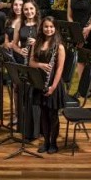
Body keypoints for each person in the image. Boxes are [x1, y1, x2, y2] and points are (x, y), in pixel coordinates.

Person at [29, 16, 66, 154]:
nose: (48, 29)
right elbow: (30, 63)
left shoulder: (59, 47)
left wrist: (53, 87)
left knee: (53, 115)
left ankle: (53, 143)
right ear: (42, 28)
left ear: (55, 28)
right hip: (40, 82)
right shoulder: (37, 44)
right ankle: (45, 142)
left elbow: (60, 69)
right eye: (46, 26)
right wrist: (41, 65)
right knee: (43, 114)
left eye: (51, 26)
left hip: (53, 84)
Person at [11, 0, 41, 141]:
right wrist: (20, 50)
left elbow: (49, 44)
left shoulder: (41, 25)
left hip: (36, 64)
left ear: (35, 9)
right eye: (26, 10)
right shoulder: (19, 24)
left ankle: (36, 130)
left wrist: (37, 43)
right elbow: (13, 44)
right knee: (23, 95)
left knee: (34, 97)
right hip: (23, 63)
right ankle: (24, 128)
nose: (29, 12)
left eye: (31, 9)